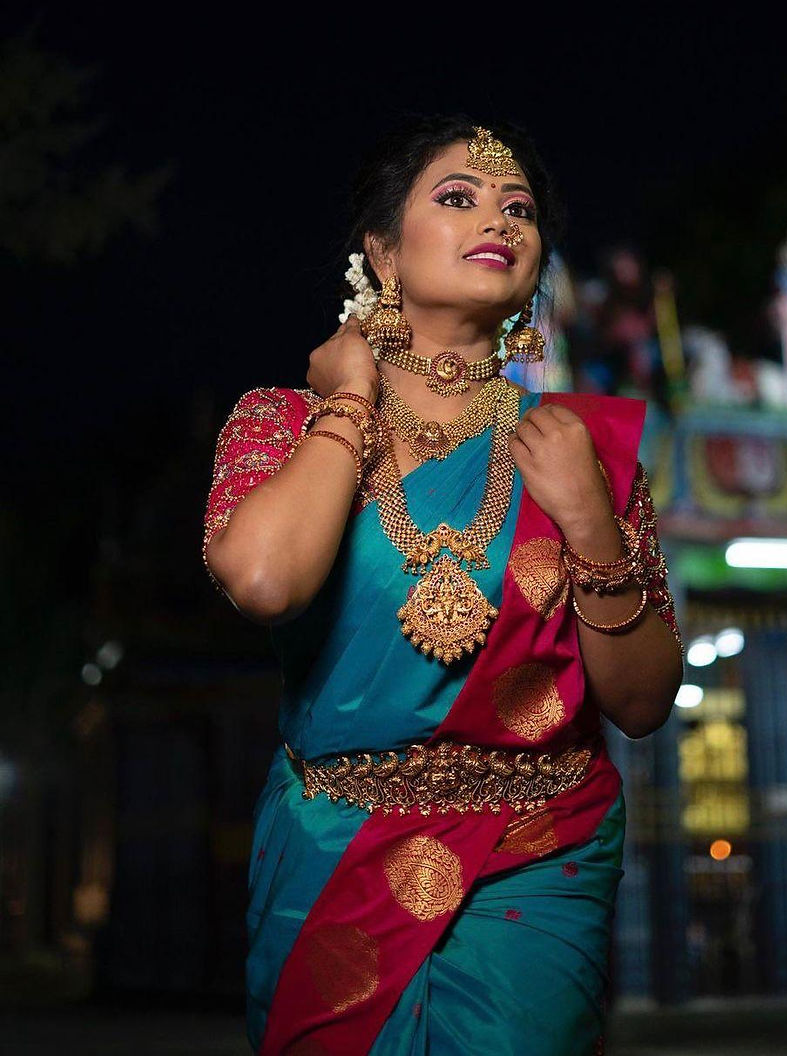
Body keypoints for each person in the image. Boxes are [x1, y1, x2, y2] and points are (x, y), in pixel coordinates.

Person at [202, 116, 684, 1056]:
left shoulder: (584, 449)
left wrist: (589, 523)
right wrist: (349, 402)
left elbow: (642, 701)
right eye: (456, 197)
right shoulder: (283, 420)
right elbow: (262, 582)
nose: (497, 217)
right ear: (381, 251)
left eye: (520, 208)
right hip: (331, 854)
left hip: (536, 861)